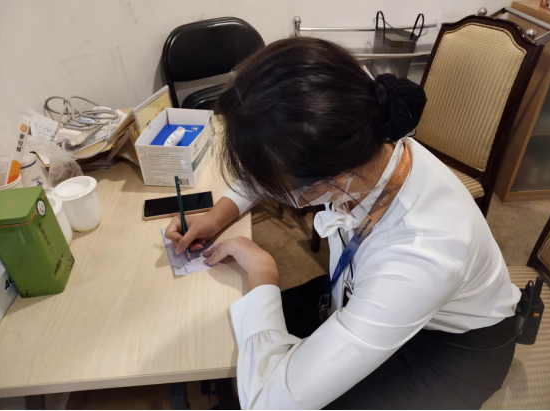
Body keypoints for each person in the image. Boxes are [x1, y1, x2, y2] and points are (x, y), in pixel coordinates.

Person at [165, 37, 521, 410]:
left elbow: (269, 405)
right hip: (363, 287)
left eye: (275, 184)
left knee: (270, 355)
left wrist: (262, 267)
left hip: (449, 351)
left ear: (329, 179)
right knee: (239, 333)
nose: (264, 187)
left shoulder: (421, 254)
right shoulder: (358, 142)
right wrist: (216, 216)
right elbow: (276, 160)